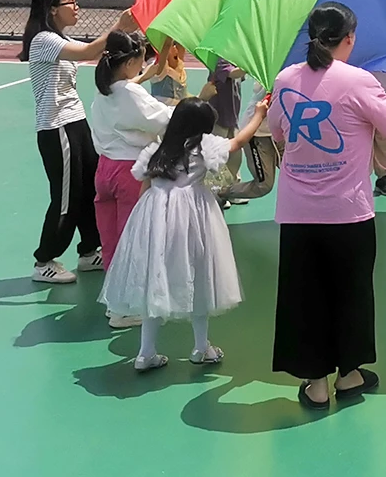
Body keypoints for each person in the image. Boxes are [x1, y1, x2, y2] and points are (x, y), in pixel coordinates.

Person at [268, 2, 386, 410]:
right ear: (349, 38)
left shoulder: (285, 79)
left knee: (305, 296)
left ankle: (315, 383)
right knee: (351, 294)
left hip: (298, 212)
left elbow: (277, 132)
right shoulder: (360, 81)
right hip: (347, 212)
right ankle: (349, 375)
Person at [99, 96, 269, 372]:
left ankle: (146, 352)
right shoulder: (203, 146)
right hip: (193, 216)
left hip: (155, 214)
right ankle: (201, 347)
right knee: (200, 276)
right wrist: (259, 115)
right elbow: (238, 142)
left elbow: (144, 186)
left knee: (155, 280)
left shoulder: (159, 148)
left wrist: (140, 224)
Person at [18, 0, 137, 285]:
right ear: (52, 10)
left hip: (76, 122)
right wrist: (117, 27)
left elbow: (95, 53)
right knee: (66, 197)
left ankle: (88, 251)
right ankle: (44, 259)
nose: (77, 7)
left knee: (90, 190)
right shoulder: (43, 40)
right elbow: (88, 51)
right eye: (71, 2)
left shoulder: (61, 38)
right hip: (56, 127)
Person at [89, 31, 173, 326]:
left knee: (111, 239)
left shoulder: (105, 89)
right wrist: (190, 108)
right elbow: (160, 118)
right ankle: (129, 306)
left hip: (105, 169)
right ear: (129, 63)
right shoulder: (131, 92)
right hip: (130, 171)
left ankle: (115, 301)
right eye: (140, 60)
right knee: (135, 237)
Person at [222, 76, 280, 201]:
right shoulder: (272, 71)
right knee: (263, 185)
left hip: (283, 131)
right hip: (258, 133)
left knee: (301, 171)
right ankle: (219, 193)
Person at [200, 57, 248, 207]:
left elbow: (240, 77)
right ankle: (214, 191)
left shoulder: (234, 57)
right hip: (218, 116)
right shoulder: (218, 59)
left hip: (232, 117)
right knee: (216, 155)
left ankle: (231, 190)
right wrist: (250, 64)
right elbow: (233, 73)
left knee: (235, 156)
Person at [140, 37, 188, 105]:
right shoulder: (157, 70)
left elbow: (181, 46)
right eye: (173, 45)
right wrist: (167, 35)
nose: (175, 48)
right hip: (164, 111)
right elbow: (166, 46)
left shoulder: (177, 66)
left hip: (180, 109)